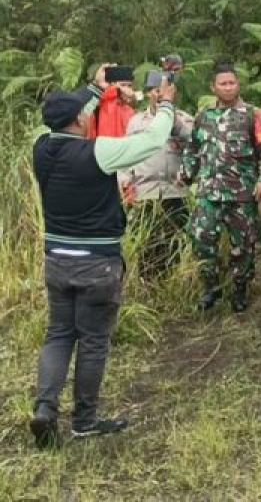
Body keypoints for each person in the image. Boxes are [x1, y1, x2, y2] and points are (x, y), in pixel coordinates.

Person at [30, 76, 178, 447]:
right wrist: (166, 106)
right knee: (94, 341)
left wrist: (95, 90)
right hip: (97, 262)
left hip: (57, 259)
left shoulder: (41, 148)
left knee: (59, 334)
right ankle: (85, 419)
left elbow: (70, 111)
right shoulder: (98, 152)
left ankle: (45, 409)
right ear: (79, 120)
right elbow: (152, 140)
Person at [178, 64, 261, 314]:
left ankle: (240, 289)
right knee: (201, 238)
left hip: (241, 194)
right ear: (213, 87)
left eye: (232, 83)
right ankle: (211, 287)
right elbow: (193, 149)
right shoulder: (203, 116)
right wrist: (186, 175)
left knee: (244, 245)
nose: (228, 87)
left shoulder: (253, 115)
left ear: (238, 85)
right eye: (223, 84)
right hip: (209, 193)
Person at [119, 70, 194, 279]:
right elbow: (126, 155)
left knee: (177, 242)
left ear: (173, 92)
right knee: (147, 246)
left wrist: (170, 119)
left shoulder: (184, 120)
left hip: (175, 192)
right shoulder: (136, 122)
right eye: (155, 90)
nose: (159, 95)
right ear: (148, 93)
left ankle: (176, 285)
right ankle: (148, 287)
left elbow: (194, 142)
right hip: (145, 194)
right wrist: (125, 181)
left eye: (164, 90)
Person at [91, 64, 137, 139]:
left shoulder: (129, 107)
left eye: (129, 86)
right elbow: (106, 93)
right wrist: (117, 90)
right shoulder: (104, 99)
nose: (127, 89)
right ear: (113, 84)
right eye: (123, 85)